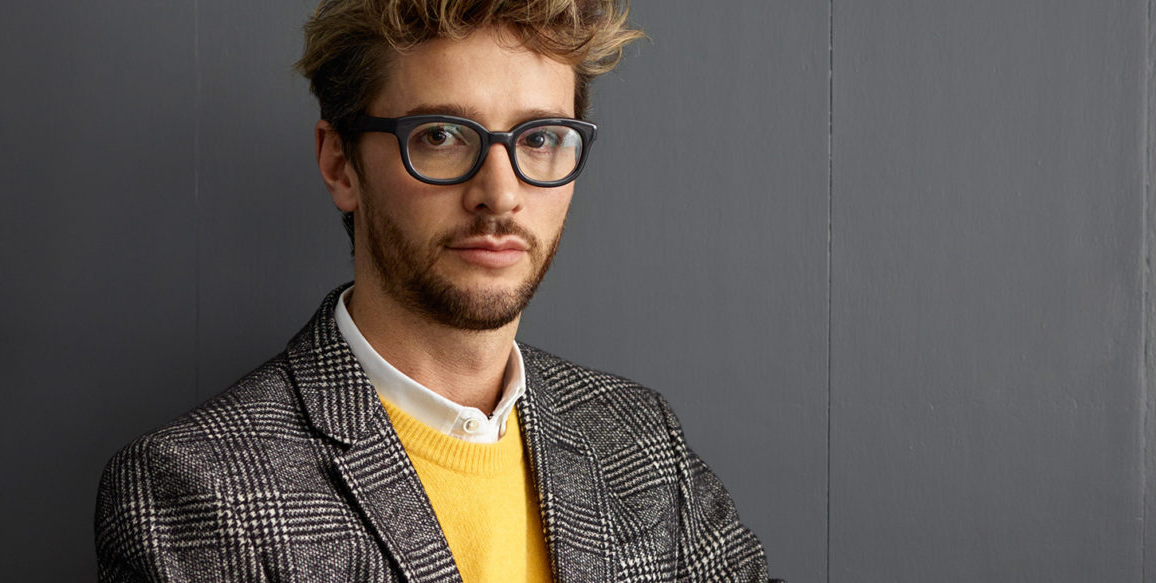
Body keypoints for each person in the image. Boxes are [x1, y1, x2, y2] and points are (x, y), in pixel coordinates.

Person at [95, 0, 775, 581]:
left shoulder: (641, 439)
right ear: (340, 164)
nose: (500, 194)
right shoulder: (195, 490)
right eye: (442, 135)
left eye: (540, 137)